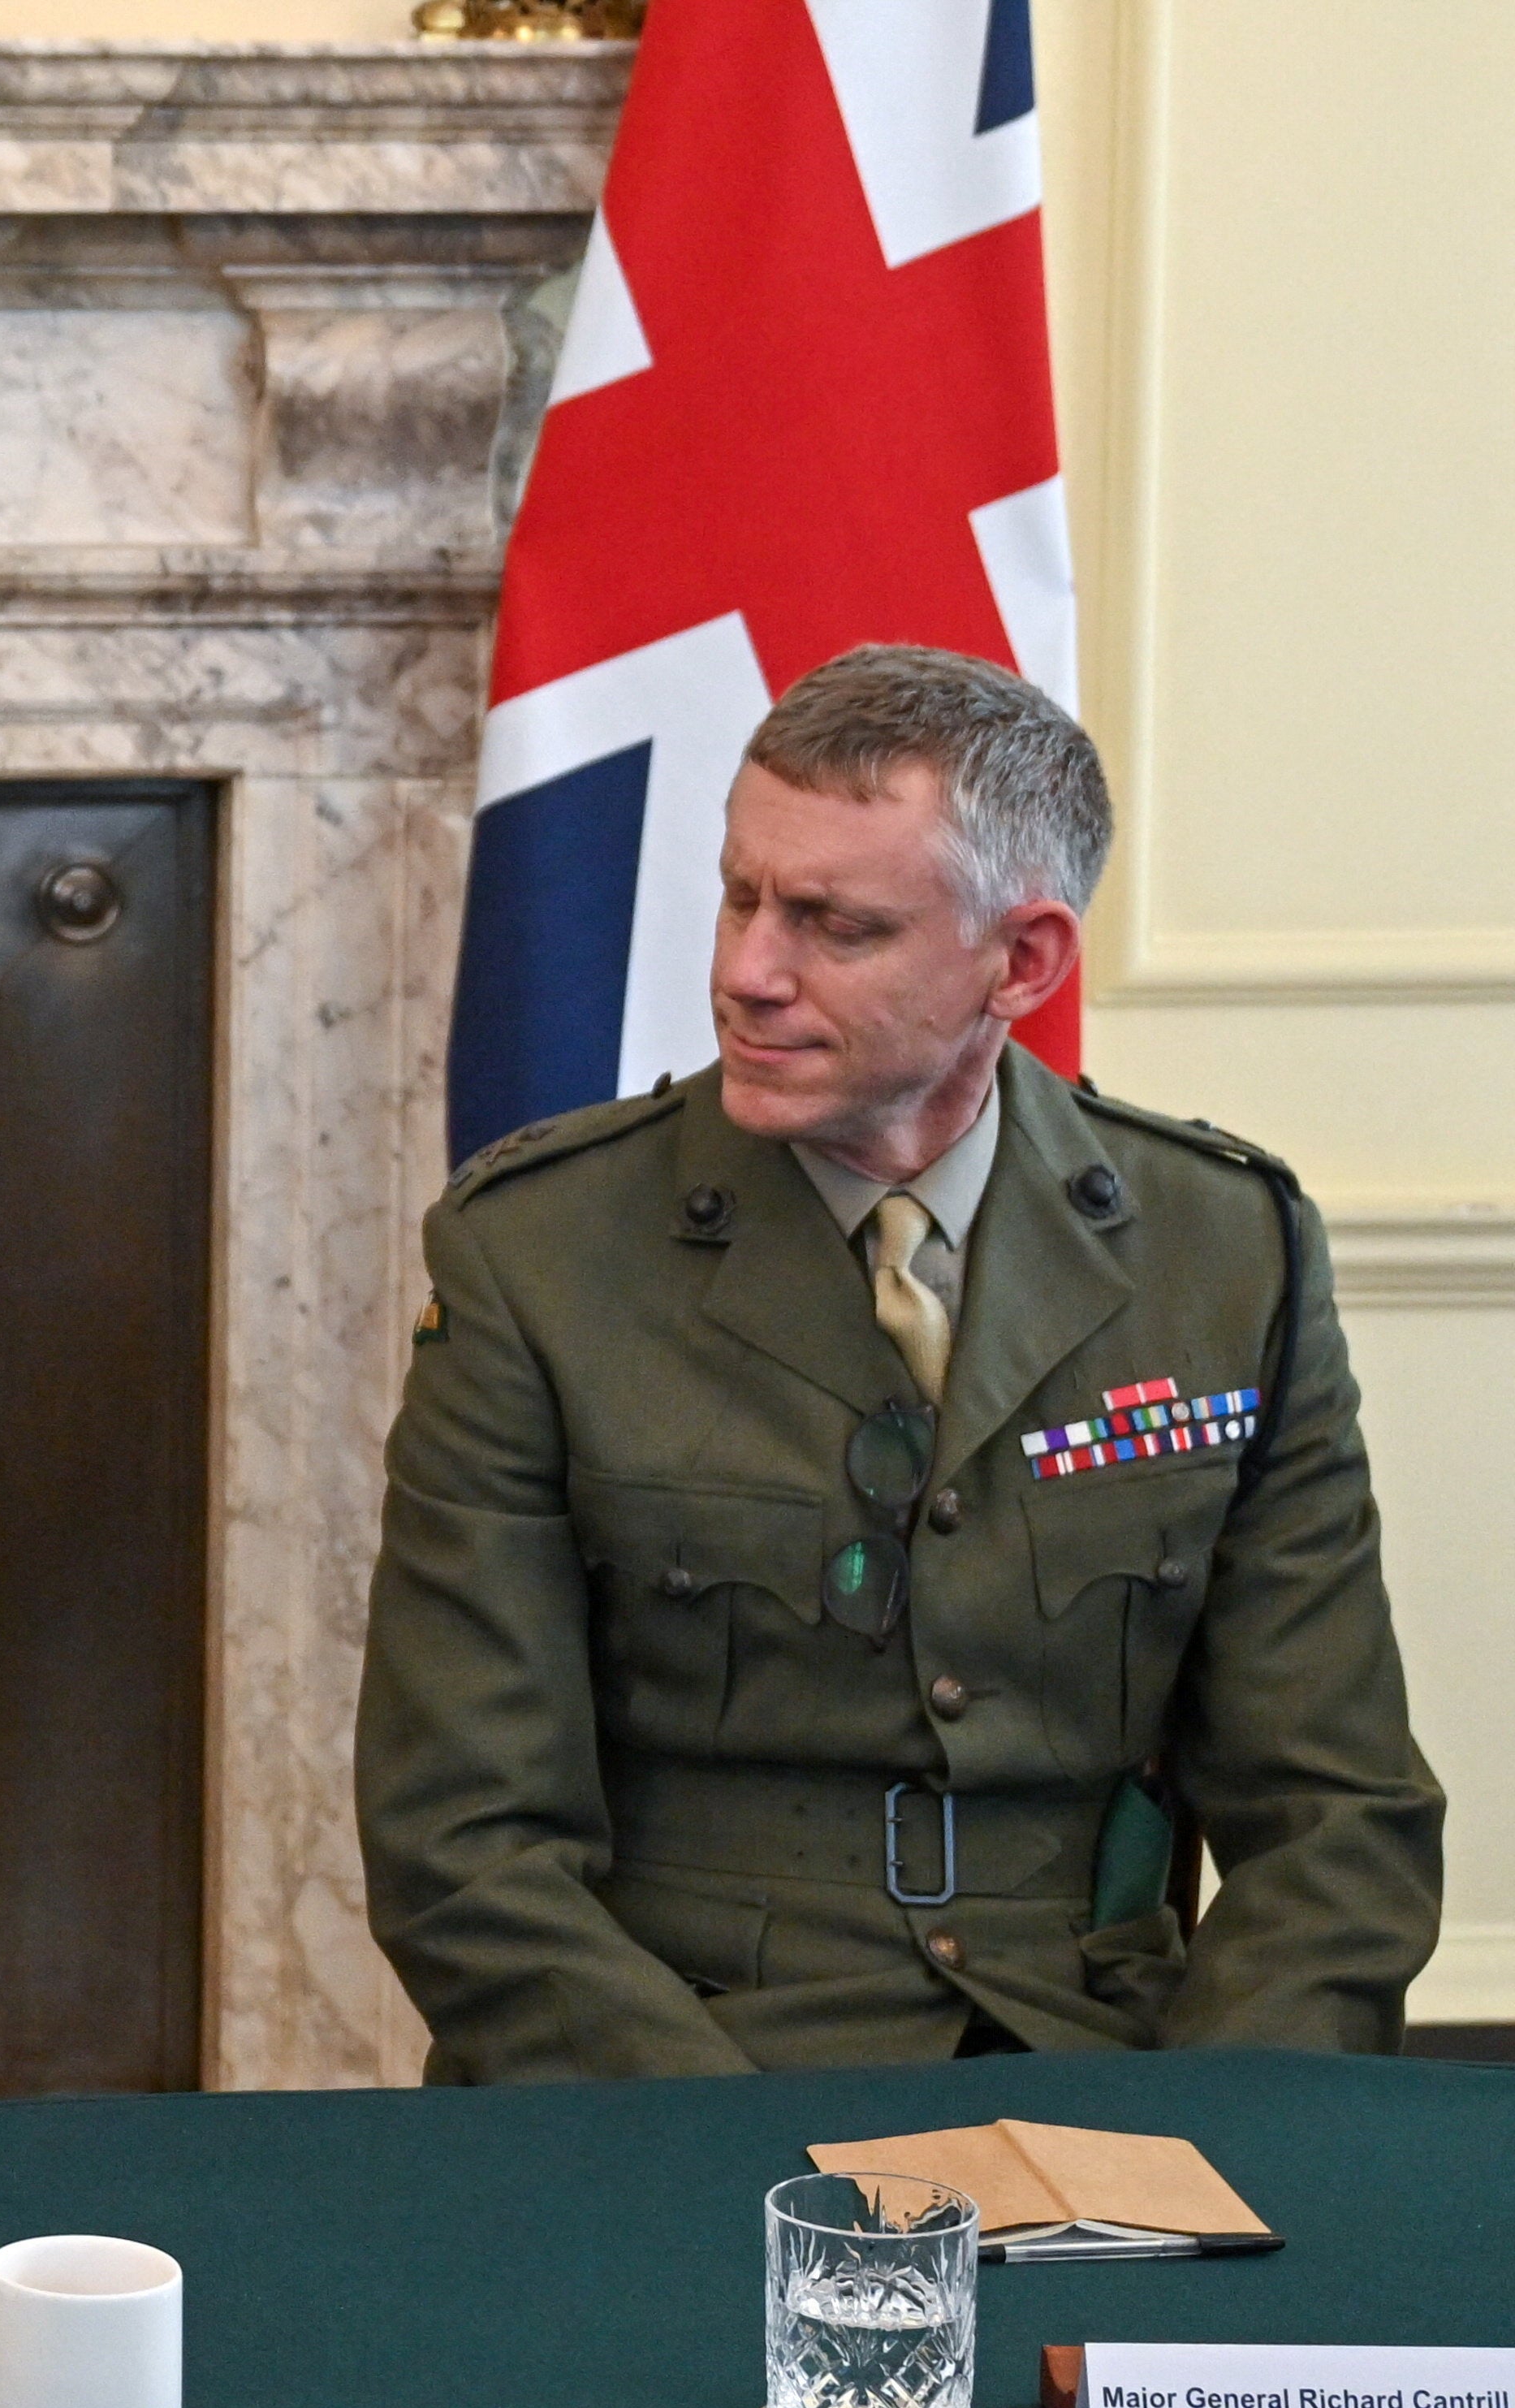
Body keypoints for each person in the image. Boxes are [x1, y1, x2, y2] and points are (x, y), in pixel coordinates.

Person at [359, 646, 1441, 2079]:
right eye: (743, 895)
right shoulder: (539, 1255)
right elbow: (465, 1845)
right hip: (683, 2075)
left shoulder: (1226, 1253)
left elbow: (1337, 1817)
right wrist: (727, 2170)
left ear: (1024, 960)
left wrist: (1225, 2133)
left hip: (1100, 2062)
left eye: (834, 925)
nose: (747, 971)